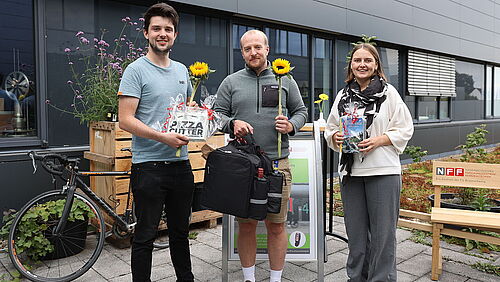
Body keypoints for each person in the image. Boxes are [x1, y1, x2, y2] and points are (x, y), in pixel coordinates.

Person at [214, 29, 307, 282]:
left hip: (277, 164)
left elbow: (301, 111)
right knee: (246, 225)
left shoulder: (285, 80)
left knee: (276, 226)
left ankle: (275, 279)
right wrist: (231, 123)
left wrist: (291, 125)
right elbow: (216, 114)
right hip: (244, 167)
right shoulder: (231, 82)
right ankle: (249, 278)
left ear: (267, 49)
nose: (253, 52)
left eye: (257, 47)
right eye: (247, 49)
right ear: (242, 52)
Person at [118, 3, 195, 282]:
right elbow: (125, 120)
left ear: (175, 35)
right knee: (145, 235)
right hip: (148, 166)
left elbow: (183, 108)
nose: (163, 34)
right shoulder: (135, 70)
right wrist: (162, 137)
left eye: (168, 29)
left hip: (181, 164)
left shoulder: (182, 71)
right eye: (157, 29)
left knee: (180, 233)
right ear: (146, 33)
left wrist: (194, 112)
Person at [324, 43, 414, 281]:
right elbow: (330, 128)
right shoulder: (343, 96)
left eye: (367, 60)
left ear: (376, 65)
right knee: (356, 235)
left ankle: (381, 278)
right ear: (351, 66)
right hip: (351, 173)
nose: (362, 64)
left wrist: (380, 140)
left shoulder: (388, 94)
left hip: (383, 171)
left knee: (383, 236)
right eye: (357, 60)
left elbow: (405, 128)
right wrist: (335, 136)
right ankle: (356, 278)